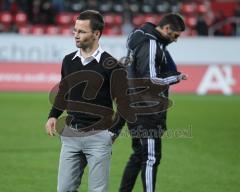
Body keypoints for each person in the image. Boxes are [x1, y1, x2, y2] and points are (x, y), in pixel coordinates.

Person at [45, 10, 124, 192]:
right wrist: (53, 116)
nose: (76, 35)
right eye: (75, 30)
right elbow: (63, 91)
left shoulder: (112, 65)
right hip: (70, 135)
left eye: (81, 31)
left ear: (96, 34)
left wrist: (114, 132)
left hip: (99, 137)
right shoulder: (68, 61)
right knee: (64, 189)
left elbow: (124, 103)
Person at [119, 13, 187, 192]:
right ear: (166, 29)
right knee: (150, 158)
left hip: (135, 105)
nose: (175, 40)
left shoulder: (140, 36)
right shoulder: (150, 44)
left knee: (139, 155)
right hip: (146, 109)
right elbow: (149, 80)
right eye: (175, 35)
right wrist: (176, 77)